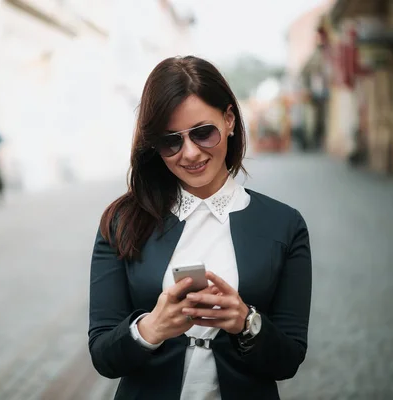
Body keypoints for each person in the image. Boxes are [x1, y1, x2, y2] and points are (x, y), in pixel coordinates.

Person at [88, 56, 312, 400]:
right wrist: (151, 328)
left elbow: (289, 360)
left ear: (229, 120)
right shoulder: (121, 222)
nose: (190, 153)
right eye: (170, 141)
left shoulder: (285, 224)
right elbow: (104, 356)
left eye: (203, 133)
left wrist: (245, 322)